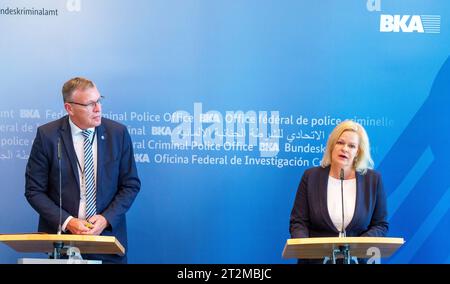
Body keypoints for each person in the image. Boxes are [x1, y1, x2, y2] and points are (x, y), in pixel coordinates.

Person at [25, 77, 140, 264]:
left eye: (99, 100)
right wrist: (68, 221)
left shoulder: (117, 134)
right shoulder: (48, 136)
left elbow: (130, 185)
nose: (98, 109)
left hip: (107, 241)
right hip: (63, 243)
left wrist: (105, 218)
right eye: (90, 104)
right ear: (69, 108)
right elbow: (34, 190)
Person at [289, 120, 388, 263]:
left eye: (352, 146)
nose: (345, 149)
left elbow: (380, 225)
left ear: (357, 152)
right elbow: (298, 222)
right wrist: (305, 249)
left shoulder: (373, 180)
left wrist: (358, 246)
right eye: (340, 143)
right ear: (332, 146)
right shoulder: (311, 177)